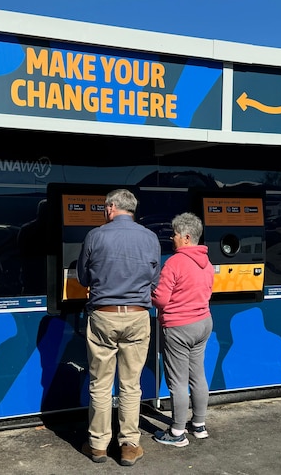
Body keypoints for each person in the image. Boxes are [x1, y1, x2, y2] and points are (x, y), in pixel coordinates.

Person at [77, 188, 161, 467]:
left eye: (105, 207)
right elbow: (154, 279)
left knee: (100, 383)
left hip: (104, 315)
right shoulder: (150, 238)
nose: (104, 211)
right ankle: (128, 445)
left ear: (112, 207)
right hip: (137, 316)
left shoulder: (96, 235)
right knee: (130, 384)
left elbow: (83, 275)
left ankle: (98, 445)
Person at [151, 212, 214, 447]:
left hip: (179, 327)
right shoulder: (207, 262)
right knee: (197, 376)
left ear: (186, 237)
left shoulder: (175, 262)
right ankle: (198, 425)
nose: (172, 238)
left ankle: (177, 433)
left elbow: (162, 300)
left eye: (175, 234)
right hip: (203, 323)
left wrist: (149, 292)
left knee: (177, 381)